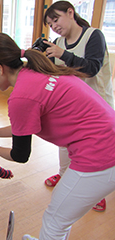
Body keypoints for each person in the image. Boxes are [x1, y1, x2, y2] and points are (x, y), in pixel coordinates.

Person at [0, 32, 115, 239]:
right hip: (107, 138)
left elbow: (21, 155)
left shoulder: (21, 96)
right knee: (59, 214)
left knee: (55, 219)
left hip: (100, 154)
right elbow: (24, 126)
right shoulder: (35, 72)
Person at [43, 0, 114, 212]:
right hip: (72, 106)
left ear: (70, 12)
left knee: (93, 152)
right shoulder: (58, 42)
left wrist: (61, 54)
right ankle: (64, 175)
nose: (54, 26)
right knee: (64, 142)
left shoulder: (94, 36)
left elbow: (92, 68)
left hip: (98, 106)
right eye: (50, 23)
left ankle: (96, 191)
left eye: (56, 19)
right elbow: (56, 74)